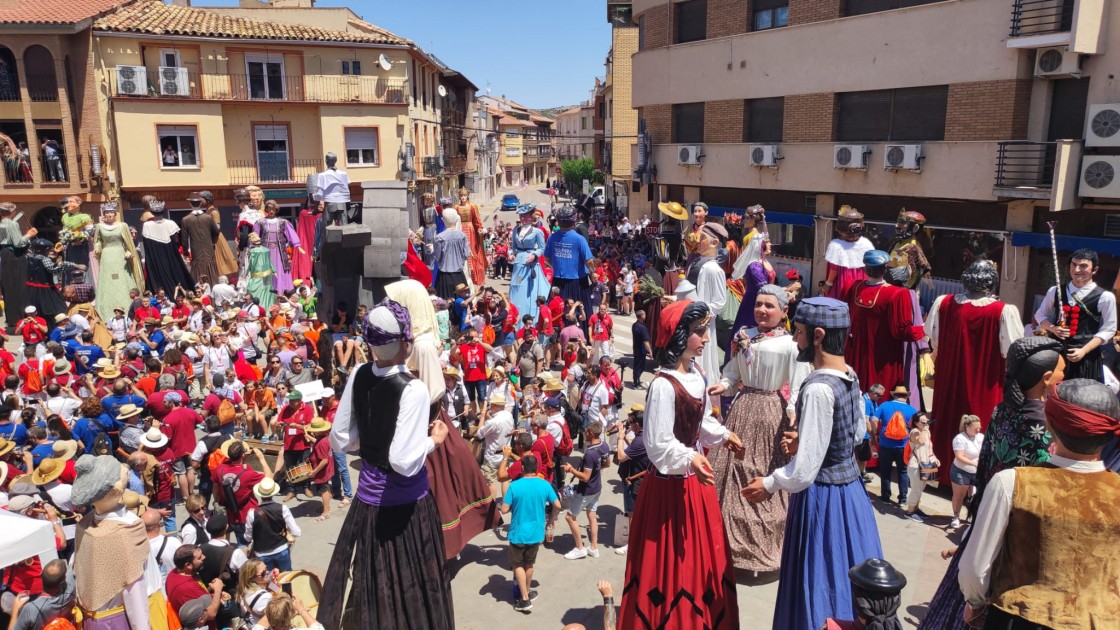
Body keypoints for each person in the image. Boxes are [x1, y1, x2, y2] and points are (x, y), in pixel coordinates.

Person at [742, 297, 883, 630]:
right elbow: (855, 434)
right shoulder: (849, 374)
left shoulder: (819, 387)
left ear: (818, 335)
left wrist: (770, 483)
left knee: (821, 578)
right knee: (851, 573)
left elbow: (805, 471)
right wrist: (808, 441)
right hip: (851, 493)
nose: (795, 339)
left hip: (822, 499)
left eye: (800, 332)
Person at [319, 299, 453, 630]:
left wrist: (372, 440)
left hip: (367, 504)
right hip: (404, 509)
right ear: (405, 343)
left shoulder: (359, 374)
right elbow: (404, 462)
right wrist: (432, 442)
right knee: (414, 586)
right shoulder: (414, 389)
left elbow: (340, 438)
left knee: (373, 582)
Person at [619, 299, 743, 628]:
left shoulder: (697, 374)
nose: (705, 338)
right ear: (678, 336)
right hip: (668, 488)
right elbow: (658, 445)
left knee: (700, 559)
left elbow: (699, 423)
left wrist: (723, 435)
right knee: (671, 561)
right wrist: (690, 456)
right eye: (698, 332)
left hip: (693, 484)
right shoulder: (663, 385)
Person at [958, 378, 1120, 630]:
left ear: (1051, 425)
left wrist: (975, 602)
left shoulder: (1011, 482)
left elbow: (975, 568)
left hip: (1020, 619)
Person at [708, 284, 808, 573]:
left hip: (770, 413)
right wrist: (723, 385)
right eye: (759, 304)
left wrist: (792, 411)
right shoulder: (743, 337)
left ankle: (758, 550)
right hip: (741, 408)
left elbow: (798, 384)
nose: (762, 310)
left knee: (760, 471)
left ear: (783, 311)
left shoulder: (791, 345)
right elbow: (733, 373)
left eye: (769, 306)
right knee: (728, 473)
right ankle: (724, 547)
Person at [926, 258, 1024, 484]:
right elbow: (1012, 350)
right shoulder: (1003, 311)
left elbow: (934, 340)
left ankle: (941, 474)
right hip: (986, 380)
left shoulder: (944, 303)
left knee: (947, 418)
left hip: (949, 376)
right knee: (979, 422)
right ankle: (975, 479)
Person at [845, 250, 924, 397]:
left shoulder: (854, 287)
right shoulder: (897, 294)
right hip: (883, 355)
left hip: (855, 350)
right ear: (885, 270)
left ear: (865, 269)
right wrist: (922, 332)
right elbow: (901, 330)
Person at [1033, 248, 1118, 383]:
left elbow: (1109, 329)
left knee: (1082, 397)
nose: (1077, 270)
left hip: (1086, 356)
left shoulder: (1105, 297)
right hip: (1057, 353)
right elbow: (1040, 315)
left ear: (1094, 270)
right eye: (1074, 264)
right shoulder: (1055, 291)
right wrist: (1053, 328)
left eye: (1083, 266)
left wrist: (1084, 350)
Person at [500, 453, 560, 614]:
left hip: (518, 533)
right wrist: (551, 520)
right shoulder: (544, 485)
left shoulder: (514, 486)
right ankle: (527, 592)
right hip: (536, 533)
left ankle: (525, 599)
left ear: (523, 468)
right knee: (530, 564)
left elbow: (504, 509)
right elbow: (558, 505)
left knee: (517, 564)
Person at [561, 419, 610, 560]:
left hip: (586, 491)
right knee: (592, 515)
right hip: (597, 488)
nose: (584, 433)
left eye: (586, 431)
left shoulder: (590, 454)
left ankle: (579, 548)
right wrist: (596, 469)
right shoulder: (604, 446)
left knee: (570, 517)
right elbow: (606, 463)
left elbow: (585, 477)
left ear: (590, 433)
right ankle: (593, 547)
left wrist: (571, 470)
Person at [543, 205, 595, 321]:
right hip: (578, 283)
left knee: (557, 313)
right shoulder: (579, 239)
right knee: (580, 314)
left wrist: (558, 267)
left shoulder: (552, 238)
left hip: (557, 282)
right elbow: (589, 261)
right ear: (574, 221)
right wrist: (593, 273)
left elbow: (547, 260)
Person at [873, 385, 918, 505]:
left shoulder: (885, 405)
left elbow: (874, 420)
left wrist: (876, 433)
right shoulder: (912, 410)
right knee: (903, 472)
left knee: (885, 471)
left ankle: (885, 496)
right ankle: (902, 499)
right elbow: (916, 428)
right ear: (906, 396)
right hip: (903, 446)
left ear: (894, 395)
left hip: (885, 444)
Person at [244, 477, 300, 572]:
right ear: (273, 493)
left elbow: (247, 537)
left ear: (260, 495)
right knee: (286, 577)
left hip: (261, 553)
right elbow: (296, 532)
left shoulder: (252, 514)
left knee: (268, 581)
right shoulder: (283, 508)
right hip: (281, 549)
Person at [508, 204, 550, 328]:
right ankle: (515, 315)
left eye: (526, 216)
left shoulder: (537, 231)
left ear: (531, 217)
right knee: (516, 287)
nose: (523, 218)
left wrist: (534, 255)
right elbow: (513, 247)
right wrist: (511, 254)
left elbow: (542, 248)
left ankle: (530, 317)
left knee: (528, 291)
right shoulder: (516, 229)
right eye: (521, 216)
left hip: (530, 264)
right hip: (518, 265)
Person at [141, 201, 193, 295]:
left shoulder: (147, 225)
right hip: (170, 255)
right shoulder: (170, 223)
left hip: (156, 256)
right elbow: (177, 241)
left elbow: (146, 245)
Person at [6, 558, 75, 630]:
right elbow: (70, 571)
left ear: (40, 574)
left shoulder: (31, 609)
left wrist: (15, 610)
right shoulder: (71, 588)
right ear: (63, 580)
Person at [821, 206, 874, 299]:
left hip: (843, 282)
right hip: (861, 281)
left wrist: (827, 284)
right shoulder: (866, 244)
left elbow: (834, 269)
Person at [0, 201, 35, 328]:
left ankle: (11, 318)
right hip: (14, 256)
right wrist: (29, 235)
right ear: (12, 212)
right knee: (19, 287)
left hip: (4, 255)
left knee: (8, 287)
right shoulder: (12, 224)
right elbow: (18, 243)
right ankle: (20, 318)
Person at [255, 200, 301, 295]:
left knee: (280, 269)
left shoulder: (283, 222)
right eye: (269, 209)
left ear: (276, 210)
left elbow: (291, 234)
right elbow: (254, 237)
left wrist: (297, 245)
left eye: (273, 209)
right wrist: (253, 248)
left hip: (279, 251)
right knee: (266, 269)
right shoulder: (260, 222)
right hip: (265, 252)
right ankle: (267, 290)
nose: (271, 211)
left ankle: (281, 290)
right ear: (266, 209)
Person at [949, 414, 984, 529]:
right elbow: (959, 456)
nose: (978, 430)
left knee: (975, 495)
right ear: (967, 427)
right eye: (975, 428)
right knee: (959, 495)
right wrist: (974, 463)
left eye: (980, 427)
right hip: (961, 471)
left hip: (976, 473)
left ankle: (972, 516)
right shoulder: (960, 439)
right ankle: (956, 517)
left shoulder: (980, 437)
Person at [904, 412, 938, 522]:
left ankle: (916, 508)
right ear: (916, 423)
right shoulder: (915, 432)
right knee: (916, 489)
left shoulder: (926, 432)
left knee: (921, 488)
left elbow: (929, 448)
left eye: (926, 420)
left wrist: (935, 458)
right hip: (915, 465)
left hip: (925, 464)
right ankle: (909, 512)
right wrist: (924, 429)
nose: (925, 423)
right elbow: (920, 441)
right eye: (922, 421)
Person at [181, 193, 222, 285]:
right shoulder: (208, 218)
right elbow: (216, 231)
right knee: (210, 266)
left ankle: (198, 288)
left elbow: (184, 239)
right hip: (208, 248)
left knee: (197, 268)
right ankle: (212, 286)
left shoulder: (186, 219)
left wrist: (185, 252)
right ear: (200, 203)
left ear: (190, 204)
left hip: (195, 249)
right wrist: (212, 242)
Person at [431, 207, 471, 299]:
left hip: (444, 277)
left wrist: (431, 250)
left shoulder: (439, 238)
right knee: (462, 304)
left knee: (444, 305)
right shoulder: (462, 236)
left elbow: (437, 257)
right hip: (459, 275)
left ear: (443, 220)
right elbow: (466, 255)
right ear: (457, 220)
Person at [887, 210, 931, 291]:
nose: (896, 225)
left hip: (900, 292)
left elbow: (908, 278)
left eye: (902, 223)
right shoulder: (899, 243)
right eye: (898, 222)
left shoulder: (911, 248)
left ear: (915, 228)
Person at [454, 187, 487, 287]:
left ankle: (473, 275)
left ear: (467, 196)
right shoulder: (456, 208)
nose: (463, 197)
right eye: (461, 196)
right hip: (460, 229)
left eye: (464, 195)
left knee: (471, 251)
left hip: (470, 230)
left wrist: (479, 228)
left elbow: (477, 220)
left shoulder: (472, 207)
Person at [630, 310, 652, 389]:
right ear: (642, 316)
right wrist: (650, 352)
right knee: (640, 367)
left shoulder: (635, 325)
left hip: (636, 348)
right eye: (644, 314)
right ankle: (636, 383)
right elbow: (646, 342)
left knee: (637, 365)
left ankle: (636, 380)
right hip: (641, 350)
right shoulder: (642, 327)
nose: (645, 316)